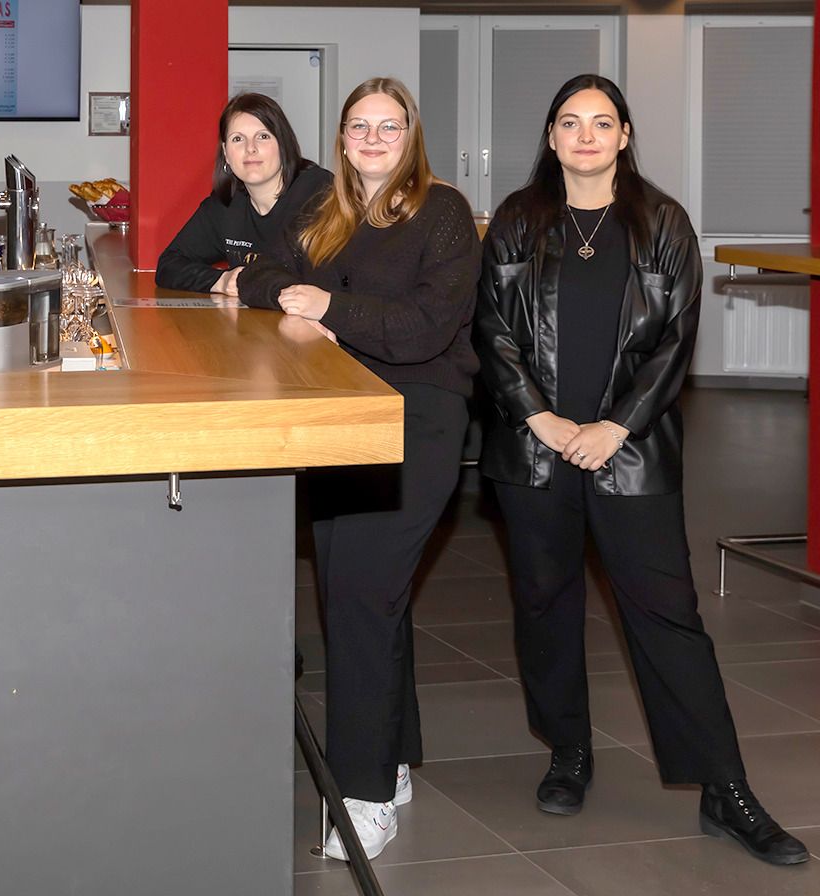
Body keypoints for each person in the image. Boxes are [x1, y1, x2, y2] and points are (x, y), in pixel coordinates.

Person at [474, 74, 807, 866]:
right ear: (551, 137)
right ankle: (569, 751)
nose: (585, 136)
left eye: (602, 122)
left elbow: (674, 343)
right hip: (535, 451)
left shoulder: (663, 223)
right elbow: (491, 331)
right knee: (545, 607)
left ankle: (726, 788)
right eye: (570, 122)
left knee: (668, 615)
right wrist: (542, 419)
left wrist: (615, 426)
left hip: (632, 452)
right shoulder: (517, 220)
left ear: (624, 135)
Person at [236, 77, 480, 860]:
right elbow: (258, 275)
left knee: (361, 596)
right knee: (360, 595)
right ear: (341, 139)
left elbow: (423, 328)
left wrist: (329, 309)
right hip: (341, 417)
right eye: (358, 127)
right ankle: (393, 759)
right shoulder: (324, 212)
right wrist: (298, 294)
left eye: (388, 126)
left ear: (411, 136)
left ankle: (364, 794)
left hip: (416, 421)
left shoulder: (442, 212)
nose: (372, 139)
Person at [156, 92, 331, 294]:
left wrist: (247, 282)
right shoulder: (226, 202)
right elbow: (169, 265)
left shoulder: (319, 193)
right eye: (238, 139)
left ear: (283, 144)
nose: (250, 148)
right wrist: (222, 281)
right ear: (226, 153)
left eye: (263, 136)